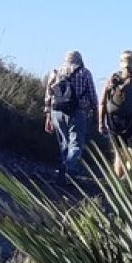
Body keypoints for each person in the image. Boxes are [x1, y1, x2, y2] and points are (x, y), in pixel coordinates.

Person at [43, 50, 97, 183]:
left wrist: (48, 116)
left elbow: (48, 96)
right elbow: (92, 95)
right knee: (76, 144)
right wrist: (96, 113)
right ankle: (69, 170)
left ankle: (63, 172)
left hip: (57, 111)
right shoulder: (84, 73)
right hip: (77, 111)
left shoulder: (55, 72)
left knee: (64, 143)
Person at [99, 50, 132, 176]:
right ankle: (127, 179)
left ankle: (119, 182)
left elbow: (102, 103)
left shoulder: (112, 79)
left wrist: (101, 122)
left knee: (119, 154)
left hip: (114, 123)